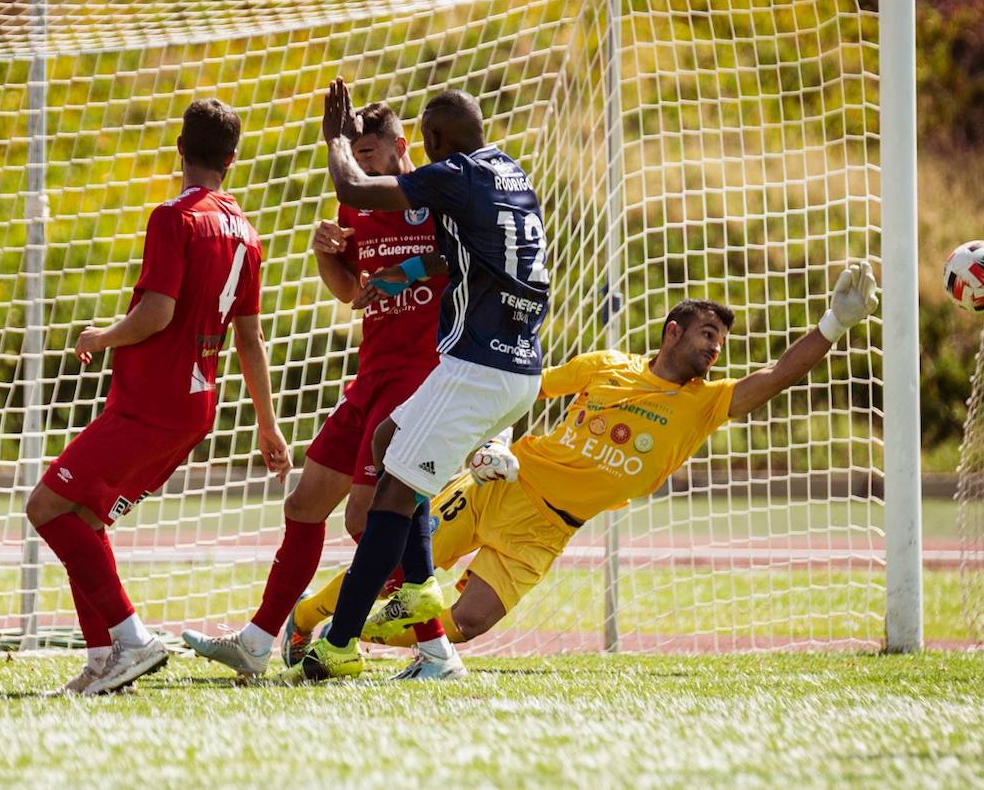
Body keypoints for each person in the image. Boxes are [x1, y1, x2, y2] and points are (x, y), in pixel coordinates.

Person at [290, 268, 880, 666]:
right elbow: (515, 389)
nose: (714, 349)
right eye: (706, 334)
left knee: (466, 623)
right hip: (503, 483)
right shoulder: (606, 366)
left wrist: (835, 324)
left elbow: (775, 377)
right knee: (393, 559)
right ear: (672, 332)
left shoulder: (705, 403)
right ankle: (306, 617)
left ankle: (351, 632)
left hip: (549, 529)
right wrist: (491, 443)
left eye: (720, 342)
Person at [284, 81, 550, 682]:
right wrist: (399, 275)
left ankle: (342, 642)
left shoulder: (454, 175)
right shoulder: (510, 175)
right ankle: (423, 592)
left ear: (428, 141)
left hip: (477, 368)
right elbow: (452, 257)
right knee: (387, 442)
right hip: (512, 366)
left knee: (391, 496)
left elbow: (351, 188)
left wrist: (335, 141)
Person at [25, 99, 292, 696]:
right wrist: (268, 426)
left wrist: (101, 335)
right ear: (232, 158)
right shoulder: (246, 233)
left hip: (152, 402)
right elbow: (248, 339)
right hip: (194, 408)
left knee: (45, 508)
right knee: (85, 521)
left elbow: (156, 313)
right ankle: (104, 659)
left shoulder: (174, 218)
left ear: (180, 146)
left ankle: (134, 640)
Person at [181, 102, 455, 678]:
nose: (359, 168)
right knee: (303, 505)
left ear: (401, 147)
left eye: (370, 154)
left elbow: (454, 262)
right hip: (371, 374)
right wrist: (325, 252)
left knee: (365, 518)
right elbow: (351, 293)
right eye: (353, 157)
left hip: (416, 375)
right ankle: (257, 642)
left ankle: (432, 650)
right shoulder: (355, 205)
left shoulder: (432, 198)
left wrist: (404, 275)